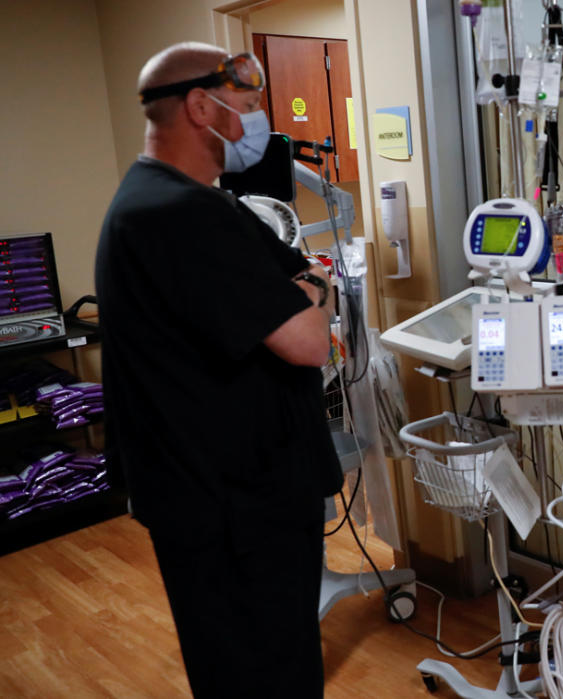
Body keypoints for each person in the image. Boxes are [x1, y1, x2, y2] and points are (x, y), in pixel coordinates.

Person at [95, 42, 342, 697]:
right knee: (269, 674)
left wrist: (306, 285)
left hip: (208, 500)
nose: (256, 121)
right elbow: (309, 339)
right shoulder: (183, 215)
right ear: (201, 106)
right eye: (248, 105)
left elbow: (297, 275)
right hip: (237, 510)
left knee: (237, 667)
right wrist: (315, 293)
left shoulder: (161, 200)